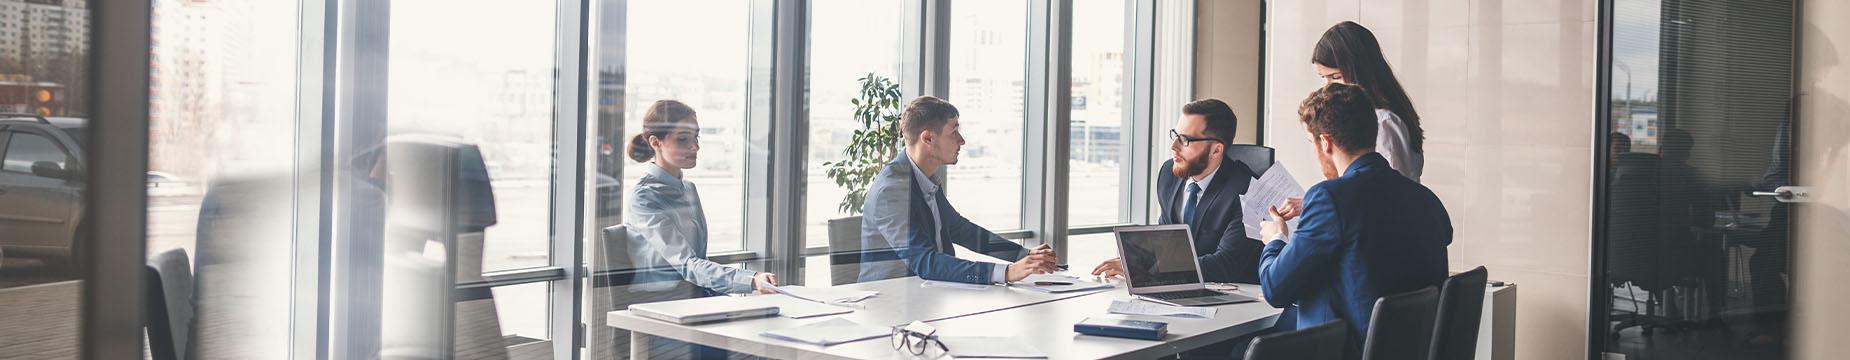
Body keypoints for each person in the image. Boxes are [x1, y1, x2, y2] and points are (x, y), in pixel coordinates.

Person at [1258, 83, 1452, 359]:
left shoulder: (1329, 197)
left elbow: (1275, 288)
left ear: (1325, 142)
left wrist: (1275, 238)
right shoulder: (1426, 199)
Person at [859, 96, 1060, 284]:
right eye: (954, 132)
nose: (962, 140)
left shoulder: (924, 179)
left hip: (927, 296)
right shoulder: (891, 190)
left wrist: (1025, 256)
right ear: (928, 138)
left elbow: (961, 230)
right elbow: (924, 261)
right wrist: (1008, 272)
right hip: (890, 306)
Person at [1091, 99, 1263, 284]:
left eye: (1185, 140)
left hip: (1235, 297)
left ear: (1216, 150)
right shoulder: (1168, 174)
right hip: (1178, 289)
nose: (1173, 146)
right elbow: (1168, 242)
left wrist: (1145, 269)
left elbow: (1225, 265)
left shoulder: (1250, 192)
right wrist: (1133, 260)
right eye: (1175, 135)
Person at [625, 99, 778, 297]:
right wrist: (750, 280)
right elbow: (687, 263)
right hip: (664, 302)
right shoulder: (643, 197)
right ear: (656, 142)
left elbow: (698, 261)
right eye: (683, 139)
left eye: (696, 137)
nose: (695, 147)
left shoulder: (689, 189)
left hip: (698, 295)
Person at [1311, 21, 1426, 182]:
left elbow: (1390, 196)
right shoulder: (1364, 117)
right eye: (1324, 78)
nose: (1328, 88)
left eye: (1336, 77)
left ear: (1359, 71)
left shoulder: (1384, 123)